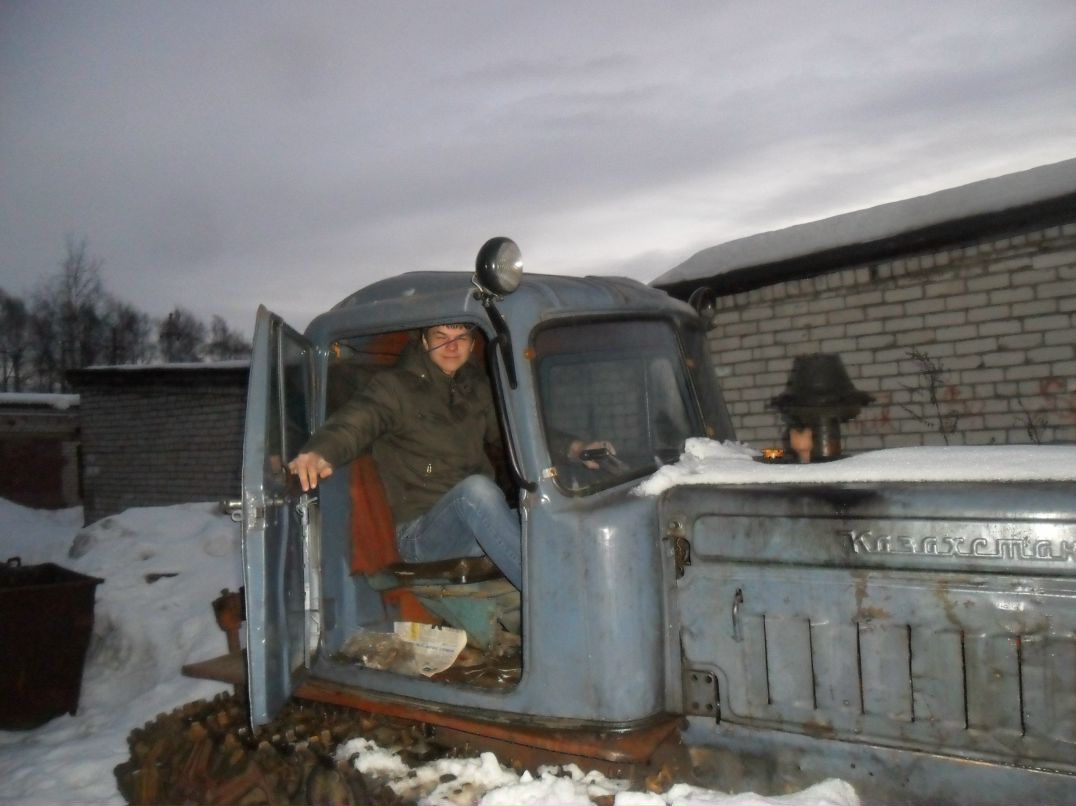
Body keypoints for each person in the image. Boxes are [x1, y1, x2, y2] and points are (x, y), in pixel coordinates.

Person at [289, 322, 614, 590]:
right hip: (421, 534)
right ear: (422, 341)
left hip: (474, 521)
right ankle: (553, 600)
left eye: (461, 338)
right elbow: (358, 421)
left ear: (473, 344)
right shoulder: (393, 388)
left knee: (554, 519)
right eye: (441, 338)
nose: (452, 346)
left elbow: (515, 431)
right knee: (476, 491)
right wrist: (321, 451)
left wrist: (573, 448)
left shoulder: (476, 388)